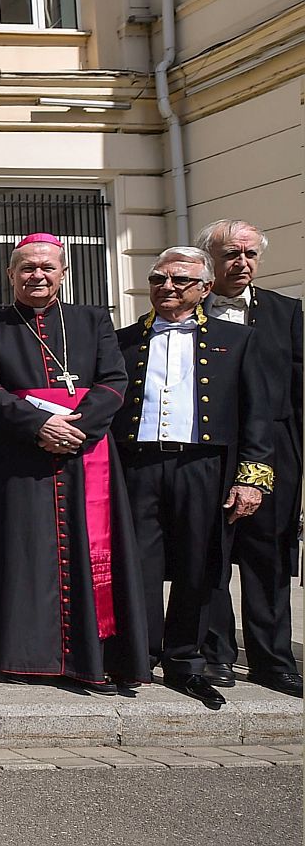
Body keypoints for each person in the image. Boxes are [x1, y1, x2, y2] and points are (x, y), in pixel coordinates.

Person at [0, 233, 153, 692]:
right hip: (20, 458)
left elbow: (114, 380)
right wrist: (38, 426)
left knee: (91, 554)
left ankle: (94, 659)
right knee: (25, 556)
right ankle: (26, 657)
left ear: (63, 274)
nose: (37, 276)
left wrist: (79, 427)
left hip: (86, 456)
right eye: (27, 268)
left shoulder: (92, 321)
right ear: (10, 275)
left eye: (47, 268)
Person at [115, 247, 272, 709]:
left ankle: (186, 661)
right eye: (159, 278)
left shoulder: (237, 339)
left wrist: (252, 477)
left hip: (204, 466)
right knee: (137, 563)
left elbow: (257, 414)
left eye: (180, 280)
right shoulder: (123, 339)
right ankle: (138, 656)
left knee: (199, 563)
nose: (167, 287)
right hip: (137, 465)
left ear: (204, 288)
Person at [198, 220, 303, 697]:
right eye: (230, 255)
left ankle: (272, 660)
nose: (241, 263)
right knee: (210, 555)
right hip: (209, 449)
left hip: (277, 450)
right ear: (210, 260)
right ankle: (215, 653)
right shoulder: (186, 309)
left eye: (249, 255)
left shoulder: (287, 313)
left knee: (269, 557)